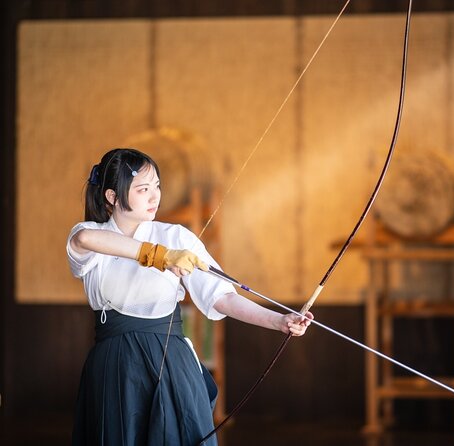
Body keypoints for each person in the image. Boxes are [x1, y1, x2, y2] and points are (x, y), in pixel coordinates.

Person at [67, 148, 312, 445]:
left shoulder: (176, 237)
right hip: (114, 365)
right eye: (143, 189)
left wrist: (280, 321)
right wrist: (159, 256)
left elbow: (222, 297)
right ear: (112, 197)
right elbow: (85, 241)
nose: (154, 196)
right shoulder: (89, 233)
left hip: (170, 362)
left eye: (157, 186)